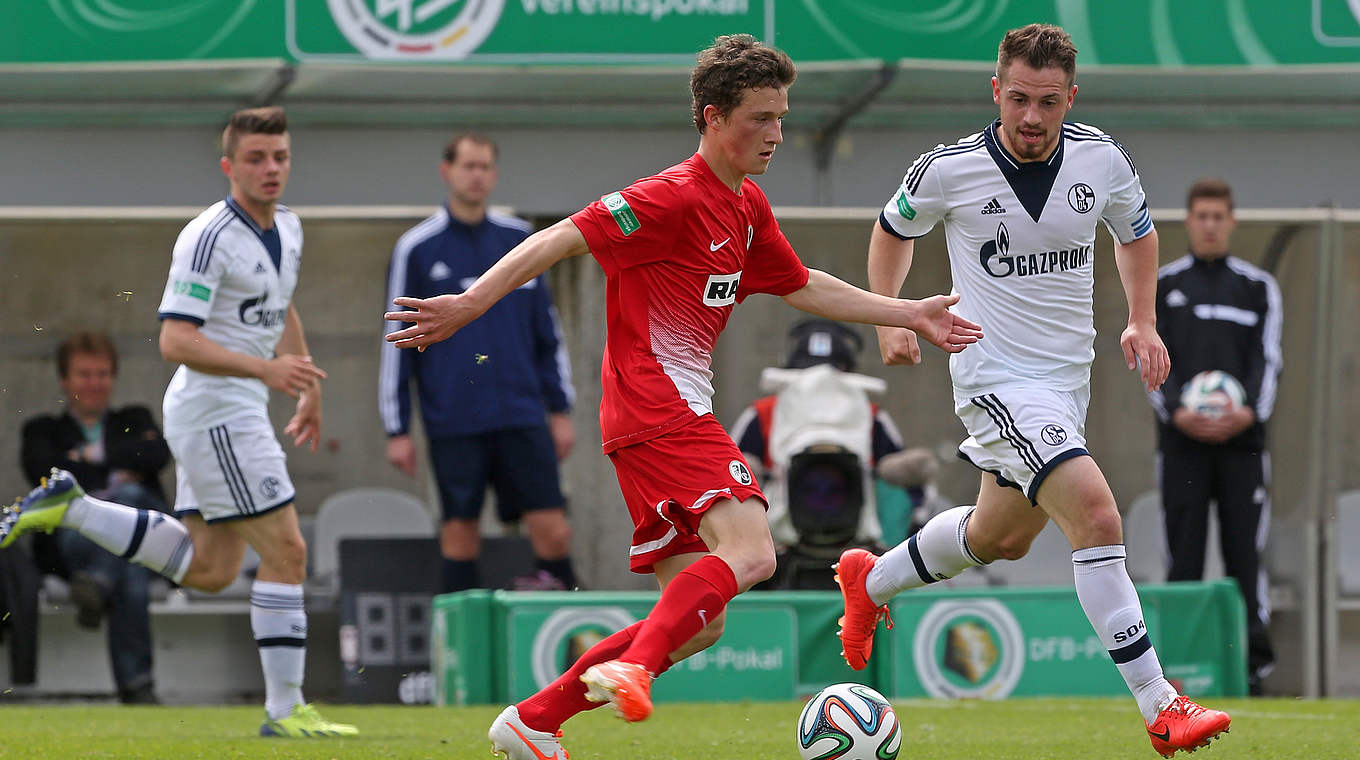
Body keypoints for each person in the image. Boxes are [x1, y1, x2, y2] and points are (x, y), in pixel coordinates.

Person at [382, 34, 981, 760]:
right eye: (760, 118)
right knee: (754, 552)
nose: (777, 134)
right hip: (660, 406)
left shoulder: (747, 206)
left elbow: (800, 285)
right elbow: (559, 239)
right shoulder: (667, 196)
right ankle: (632, 668)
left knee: (699, 623)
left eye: (782, 116)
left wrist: (908, 310)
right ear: (711, 117)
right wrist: (471, 305)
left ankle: (534, 720)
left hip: (648, 419)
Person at [835, 23, 1231, 757]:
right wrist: (893, 316)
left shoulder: (1102, 160)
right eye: (1018, 99)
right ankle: (1160, 702)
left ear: (1069, 98)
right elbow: (893, 230)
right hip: (993, 380)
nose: (1030, 118)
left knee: (1000, 538)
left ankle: (872, 581)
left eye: (1048, 103)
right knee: (1097, 514)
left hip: (1064, 385)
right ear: (996, 91)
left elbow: (1137, 233)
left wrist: (1141, 320)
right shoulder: (947, 169)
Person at [1, 107, 355, 737]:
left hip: (229, 407)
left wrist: (305, 383)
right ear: (229, 166)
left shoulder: (290, 229)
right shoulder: (207, 236)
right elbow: (174, 340)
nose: (270, 169)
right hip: (217, 409)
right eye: (255, 158)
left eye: (280, 157)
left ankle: (74, 508)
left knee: (214, 569)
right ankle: (285, 711)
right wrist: (267, 371)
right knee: (288, 551)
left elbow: (281, 304)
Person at [380, 132, 578, 594]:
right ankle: (458, 654)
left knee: (553, 527)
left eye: (484, 167)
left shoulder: (521, 239)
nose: (476, 176)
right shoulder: (418, 247)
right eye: (467, 166)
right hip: (454, 419)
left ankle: (572, 639)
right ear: (447, 172)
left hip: (522, 413)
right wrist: (397, 429)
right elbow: (396, 340)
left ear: (494, 175)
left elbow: (548, 332)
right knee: (459, 531)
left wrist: (560, 410)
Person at [1148, 178, 1281, 695]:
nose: (1209, 224)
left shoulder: (1258, 287)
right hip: (1181, 446)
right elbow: (1149, 357)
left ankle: (1252, 668)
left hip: (1243, 447)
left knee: (1245, 554)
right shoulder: (1162, 285)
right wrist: (1178, 410)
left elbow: (1269, 362)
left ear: (1231, 222)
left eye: (1217, 216)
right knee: (1183, 557)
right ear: (1188, 221)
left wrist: (1245, 412)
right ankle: (1183, 670)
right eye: (1200, 215)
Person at [20, 332, 170, 704]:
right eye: (84, 375)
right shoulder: (42, 430)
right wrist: (117, 467)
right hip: (74, 542)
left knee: (132, 510)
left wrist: (86, 460)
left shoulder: (134, 417)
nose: (94, 384)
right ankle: (138, 686)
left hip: (132, 545)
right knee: (130, 514)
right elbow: (42, 469)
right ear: (64, 380)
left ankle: (100, 583)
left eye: (102, 374)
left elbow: (157, 454)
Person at [729, 319, 906, 584]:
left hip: (859, 544)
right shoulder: (762, 415)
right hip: (776, 547)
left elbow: (901, 488)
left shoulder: (872, 418)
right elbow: (730, 481)